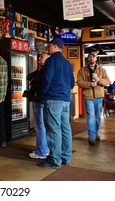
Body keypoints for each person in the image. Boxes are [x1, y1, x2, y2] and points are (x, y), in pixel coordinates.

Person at [38, 37, 74, 169]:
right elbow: (71, 83)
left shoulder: (51, 61)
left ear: (54, 46)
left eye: (49, 45)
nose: (48, 48)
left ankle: (54, 159)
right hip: (65, 100)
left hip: (53, 99)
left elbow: (46, 80)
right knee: (65, 128)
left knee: (53, 129)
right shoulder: (67, 63)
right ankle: (66, 157)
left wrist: (42, 95)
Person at [77, 52, 110, 145]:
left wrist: (99, 80)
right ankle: (91, 136)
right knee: (91, 116)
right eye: (90, 56)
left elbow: (107, 81)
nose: (91, 58)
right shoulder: (82, 70)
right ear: (88, 58)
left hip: (99, 97)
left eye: (93, 56)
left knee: (97, 118)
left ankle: (95, 133)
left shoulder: (101, 69)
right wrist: (89, 84)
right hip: (88, 96)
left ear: (96, 58)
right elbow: (79, 82)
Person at [27, 51, 50, 159]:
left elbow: (38, 83)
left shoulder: (45, 70)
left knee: (39, 126)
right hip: (40, 99)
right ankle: (45, 149)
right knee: (41, 126)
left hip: (39, 99)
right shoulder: (41, 69)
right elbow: (28, 77)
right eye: (39, 56)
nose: (39, 58)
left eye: (42, 57)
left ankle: (42, 151)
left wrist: (33, 82)